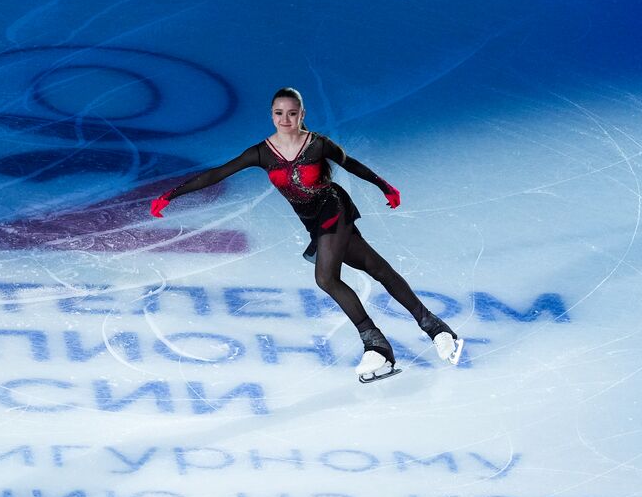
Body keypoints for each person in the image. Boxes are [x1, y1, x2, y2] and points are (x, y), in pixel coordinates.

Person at [149, 87, 461, 382]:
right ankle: (437, 329)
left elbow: (351, 165)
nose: (285, 120)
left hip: (334, 210)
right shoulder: (261, 153)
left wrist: (385, 187)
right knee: (377, 269)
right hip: (313, 223)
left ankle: (376, 345)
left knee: (325, 278)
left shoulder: (317, 144)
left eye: (292, 113)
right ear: (271, 115)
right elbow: (216, 173)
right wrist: (172, 195)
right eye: (278, 113)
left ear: (302, 114)